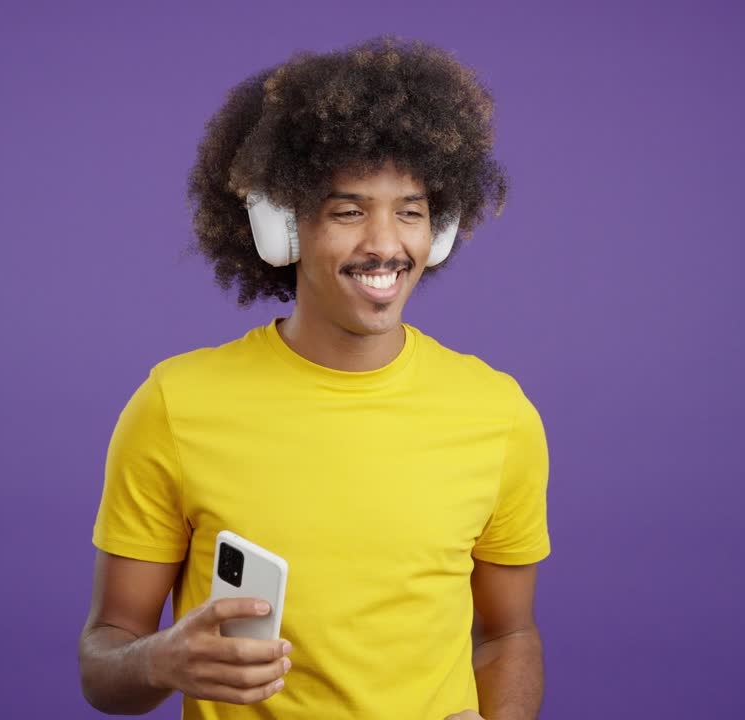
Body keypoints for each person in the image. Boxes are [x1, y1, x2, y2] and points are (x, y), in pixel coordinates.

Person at [78, 36, 550, 720]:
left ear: (440, 228)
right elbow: (105, 654)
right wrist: (159, 659)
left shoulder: (498, 414)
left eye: (411, 210)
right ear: (284, 229)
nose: (386, 243)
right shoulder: (175, 406)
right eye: (349, 210)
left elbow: (508, 632)